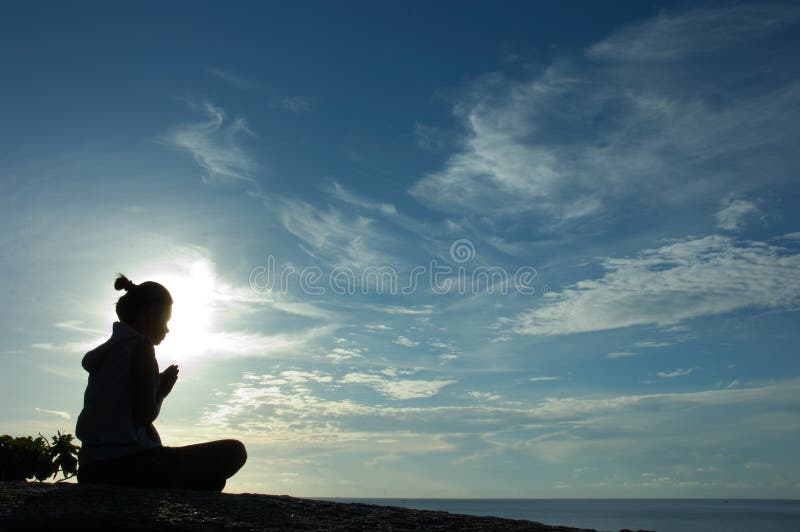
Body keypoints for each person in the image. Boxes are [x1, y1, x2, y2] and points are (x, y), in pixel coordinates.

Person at [75, 274, 246, 491]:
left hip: (91, 466)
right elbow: (145, 414)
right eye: (165, 321)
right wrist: (162, 391)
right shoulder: (141, 347)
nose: (167, 329)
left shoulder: (108, 351)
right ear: (151, 314)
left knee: (212, 480)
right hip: (127, 464)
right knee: (234, 452)